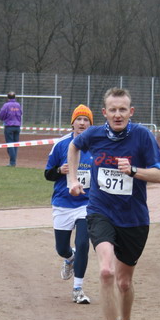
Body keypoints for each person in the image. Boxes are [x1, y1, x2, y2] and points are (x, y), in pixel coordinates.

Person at [67, 87, 160, 320]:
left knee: (124, 282)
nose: (118, 114)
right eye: (113, 110)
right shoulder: (94, 134)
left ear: (130, 112)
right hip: (100, 212)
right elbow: (74, 146)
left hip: (134, 219)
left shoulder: (142, 136)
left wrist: (133, 171)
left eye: (123, 109)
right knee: (106, 271)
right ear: (105, 112)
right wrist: (72, 179)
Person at [44, 104, 94, 304]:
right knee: (62, 248)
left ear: (90, 124)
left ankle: (78, 289)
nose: (82, 123)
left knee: (82, 244)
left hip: (86, 204)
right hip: (63, 203)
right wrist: (59, 170)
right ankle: (70, 258)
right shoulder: (61, 145)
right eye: (78, 119)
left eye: (86, 120)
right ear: (72, 123)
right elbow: (47, 174)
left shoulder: (96, 146)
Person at [0, 91, 22, 167]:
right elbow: (21, 113)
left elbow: (1, 114)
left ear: (8, 98)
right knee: (15, 145)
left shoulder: (6, 105)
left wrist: (3, 119)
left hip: (9, 126)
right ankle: (13, 161)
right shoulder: (18, 105)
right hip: (17, 126)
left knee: (10, 145)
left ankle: (12, 162)